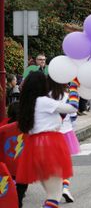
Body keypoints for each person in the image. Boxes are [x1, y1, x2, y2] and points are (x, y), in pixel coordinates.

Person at [16, 71, 78, 208]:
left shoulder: (27, 104)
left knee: (51, 192)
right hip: (50, 144)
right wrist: (74, 87)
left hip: (34, 146)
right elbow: (73, 108)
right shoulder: (44, 101)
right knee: (54, 195)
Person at [46, 76, 80, 203]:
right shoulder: (67, 96)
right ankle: (65, 187)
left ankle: (54, 191)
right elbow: (73, 115)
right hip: (66, 132)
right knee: (66, 163)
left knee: (54, 164)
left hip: (50, 133)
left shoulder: (46, 97)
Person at [0, 102, 28, 207]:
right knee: (20, 193)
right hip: (23, 166)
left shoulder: (4, 126)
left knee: (5, 191)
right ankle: (18, 201)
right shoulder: (28, 128)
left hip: (6, 165)